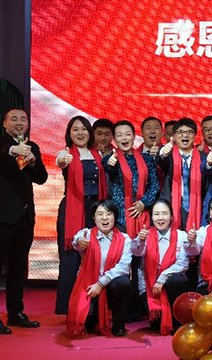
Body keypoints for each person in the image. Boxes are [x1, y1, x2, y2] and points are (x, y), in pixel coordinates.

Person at [0, 108, 48, 334]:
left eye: (23, 119)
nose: (19, 123)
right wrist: (13, 150)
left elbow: (42, 178)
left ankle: (15, 312)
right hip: (0, 216)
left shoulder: (32, 146)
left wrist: (33, 161)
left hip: (24, 217)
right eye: (14, 119)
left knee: (18, 267)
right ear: (5, 123)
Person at [54, 116, 107, 315]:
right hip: (73, 209)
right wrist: (63, 160)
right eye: (75, 129)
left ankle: (93, 307)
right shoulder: (66, 153)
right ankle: (67, 307)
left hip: (95, 208)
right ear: (69, 134)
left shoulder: (97, 154)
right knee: (70, 258)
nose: (80, 133)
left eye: (84, 129)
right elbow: (60, 162)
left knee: (95, 256)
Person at [66, 199, 133, 337]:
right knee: (87, 324)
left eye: (109, 214)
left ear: (115, 217)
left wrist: (101, 284)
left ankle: (119, 325)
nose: (104, 218)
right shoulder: (86, 234)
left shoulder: (125, 239)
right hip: (90, 288)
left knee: (123, 283)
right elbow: (77, 242)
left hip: (110, 287)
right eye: (100, 214)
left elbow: (123, 268)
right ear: (94, 218)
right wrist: (80, 243)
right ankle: (94, 316)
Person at [132, 200, 191, 335]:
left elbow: (183, 264)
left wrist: (162, 278)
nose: (160, 218)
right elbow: (136, 252)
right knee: (155, 325)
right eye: (156, 214)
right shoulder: (145, 236)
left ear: (171, 216)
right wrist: (140, 240)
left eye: (164, 213)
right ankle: (159, 315)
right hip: (150, 288)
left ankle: (177, 321)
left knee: (176, 281)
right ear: (152, 217)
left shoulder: (181, 236)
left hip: (172, 285)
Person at [102, 120, 159, 236]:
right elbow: (109, 168)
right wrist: (111, 163)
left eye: (128, 134)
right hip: (120, 218)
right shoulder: (111, 158)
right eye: (119, 135)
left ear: (134, 137)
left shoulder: (147, 159)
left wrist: (143, 203)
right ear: (114, 139)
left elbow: (154, 186)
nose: (124, 138)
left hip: (143, 214)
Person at [158, 118, 204, 231]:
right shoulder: (168, 155)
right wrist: (163, 153)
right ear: (174, 136)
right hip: (172, 205)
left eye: (189, 132)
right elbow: (160, 161)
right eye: (180, 132)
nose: (185, 135)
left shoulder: (204, 157)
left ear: (195, 135)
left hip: (197, 206)